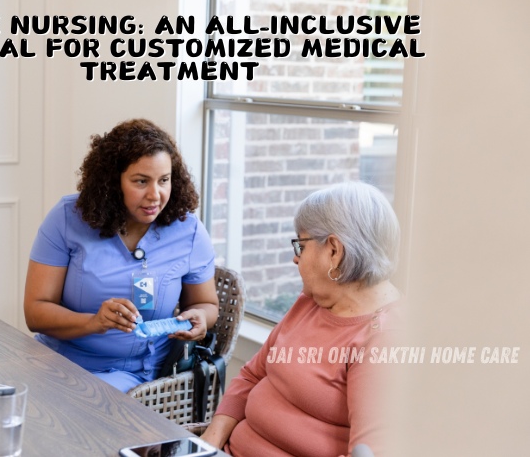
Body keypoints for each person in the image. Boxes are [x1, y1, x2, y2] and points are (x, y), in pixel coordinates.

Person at [201, 181, 402, 457]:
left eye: (301, 245)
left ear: (333, 250)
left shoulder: (382, 337)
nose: (296, 259)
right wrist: (206, 447)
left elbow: (371, 452)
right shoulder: (312, 301)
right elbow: (251, 375)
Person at [24, 118, 219, 393]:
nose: (155, 195)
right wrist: (94, 322)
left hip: (132, 373)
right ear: (113, 182)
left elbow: (207, 305)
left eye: (164, 180)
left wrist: (199, 317)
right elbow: (35, 312)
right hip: (56, 358)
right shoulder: (67, 218)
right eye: (141, 181)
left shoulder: (189, 231)